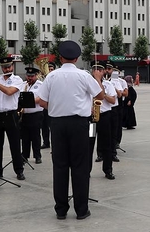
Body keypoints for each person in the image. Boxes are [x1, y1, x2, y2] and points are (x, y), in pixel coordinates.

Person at [35, 41, 104, 220]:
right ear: (77, 58)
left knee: (60, 167)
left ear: (60, 57)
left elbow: (42, 102)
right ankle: (81, 210)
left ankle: (61, 210)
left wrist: (57, 106)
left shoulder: (51, 76)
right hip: (80, 124)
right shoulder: (84, 75)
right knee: (80, 167)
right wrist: (97, 77)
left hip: (57, 124)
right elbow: (100, 95)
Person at [90, 64, 117, 179]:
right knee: (89, 144)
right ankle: (87, 170)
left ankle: (108, 170)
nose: (98, 72)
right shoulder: (88, 84)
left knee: (106, 144)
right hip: (92, 119)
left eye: (100, 70)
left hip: (104, 117)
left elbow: (112, 100)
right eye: (96, 70)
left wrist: (104, 93)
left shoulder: (108, 84)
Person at [20, 67, 44, 164]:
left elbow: (41, 98)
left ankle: (37, 156)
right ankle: (25, 156)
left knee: (35, 136)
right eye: (28, 76)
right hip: (25, 114)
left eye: (32, 76)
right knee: (25, 137)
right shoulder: (23, 85)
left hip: (35, 114)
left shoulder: (41, 85)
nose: (30, 78)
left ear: (36, 76)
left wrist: (27, 102)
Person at [107, 63, 127, 158]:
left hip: (117, 106)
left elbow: (125, 94)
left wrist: (115, 89)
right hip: (104, 108)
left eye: (114, 70)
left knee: (117, 126)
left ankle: (115, 145)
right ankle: (101, 153)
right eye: (110, 69)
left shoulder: (121, 82)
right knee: (101, 132)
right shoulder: (107, 81)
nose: (110, 71)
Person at [40, 62, 56, 149]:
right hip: (45, 106)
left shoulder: (56, 79)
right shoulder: (42, 80)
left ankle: (54, 143)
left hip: (53, 106)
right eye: (48, 69)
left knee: (53, 126)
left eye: (51, 69)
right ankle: (46, 142)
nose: (49, 71)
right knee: (44, 126)